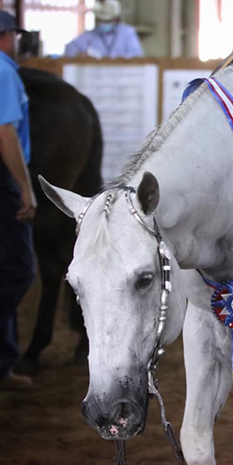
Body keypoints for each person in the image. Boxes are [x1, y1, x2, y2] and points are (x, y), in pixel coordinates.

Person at [0, 10, 36, 390]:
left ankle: (4, 364)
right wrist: (24, 187)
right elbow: (6, 134)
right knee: (19, 270)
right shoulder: (5, 71)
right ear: (7, 36)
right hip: (4, 180)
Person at [64, 0, 143, 59]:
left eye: (108, 21)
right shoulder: (91, 35)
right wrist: (80, 55)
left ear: (117, 19)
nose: (105, 23)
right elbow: (69, 49)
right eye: (102, 20)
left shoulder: (127, 33)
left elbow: (136, 56)